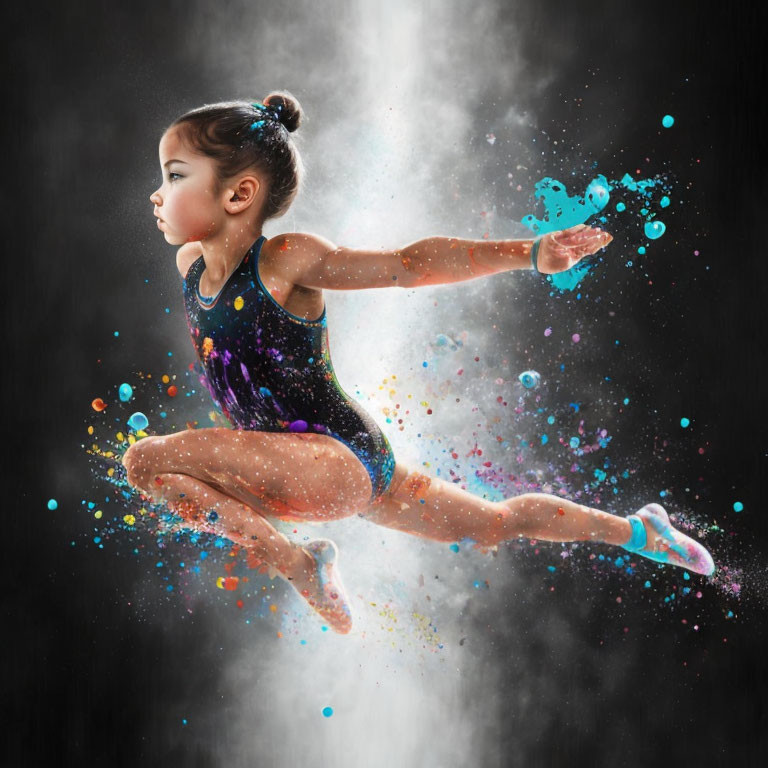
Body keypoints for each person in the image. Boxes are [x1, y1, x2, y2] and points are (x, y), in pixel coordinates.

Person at [123, 91, 715, 635]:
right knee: (494, 525)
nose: (157, 193)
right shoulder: (193, 269)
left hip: (338, 461)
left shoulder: (284, 260)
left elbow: (409, 264)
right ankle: (640, 531)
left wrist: (530, 252)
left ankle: (301, 564)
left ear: (238, 194)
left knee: (146, 459)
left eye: (174, 176)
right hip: (332, 469)